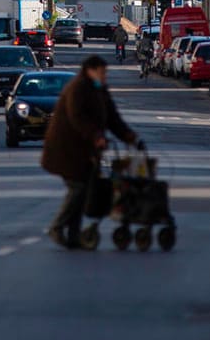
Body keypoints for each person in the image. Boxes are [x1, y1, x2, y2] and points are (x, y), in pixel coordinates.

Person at [41, 55, 140, 249]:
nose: (104, 76)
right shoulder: (78, 88)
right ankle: (57, 227)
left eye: (105, 73)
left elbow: (112, 118)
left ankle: (73, 235)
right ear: (90, 70)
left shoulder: (99, 89)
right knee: (78, 188)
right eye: (102, 72)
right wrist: (96, 136)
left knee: (83, 189)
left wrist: (129, 136)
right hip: (66, 149)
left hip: (85, 151)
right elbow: (77, 117)